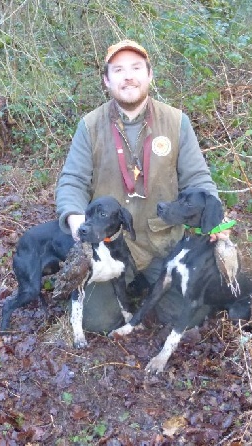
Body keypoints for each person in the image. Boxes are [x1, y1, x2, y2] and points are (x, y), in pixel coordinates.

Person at [56, 39, 231, 333]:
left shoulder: (177, 122)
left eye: (136, 68)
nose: (128, 76)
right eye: (119, 70)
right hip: (108, 244)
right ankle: (126, 289)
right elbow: (72, 180)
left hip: (162, 242)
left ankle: (146, 287)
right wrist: (75, 220)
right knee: (94, 322)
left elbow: (198, 179)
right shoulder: (90, 125)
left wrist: (214, 221)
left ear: (149, 75)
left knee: (192, 312)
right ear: (106, 81)